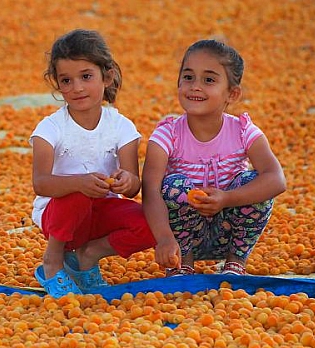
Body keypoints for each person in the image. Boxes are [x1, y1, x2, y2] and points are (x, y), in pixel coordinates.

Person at [142, 39, 286, 277]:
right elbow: (150, 190)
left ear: (232, 93)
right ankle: (183, 264)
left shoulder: (243, 131)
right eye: (188, 77)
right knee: (172, 185)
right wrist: (165, 239)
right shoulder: (167, 134)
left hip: (229, 233)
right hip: (183, 237)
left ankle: (234, 263)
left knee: (254, 181)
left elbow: (277, 180)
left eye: (209, 80)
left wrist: (227, 198)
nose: (195, 87)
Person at [29, 29, 156, 297]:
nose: (76, 88)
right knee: (78, 195)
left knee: (156, 222)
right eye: (66, 80)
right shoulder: (50, 128)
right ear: (57, 84)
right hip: (60, 217)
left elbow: (132, 188)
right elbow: (40, 184)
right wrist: (80, 183)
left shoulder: (121, 126)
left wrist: (126, 179)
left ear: (107, 76)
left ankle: (87, 256)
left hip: (101, 210)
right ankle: (52, 262)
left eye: (86, 77)